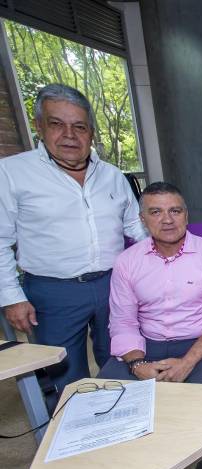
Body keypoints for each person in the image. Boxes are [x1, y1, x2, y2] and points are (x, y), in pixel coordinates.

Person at [98, 182, 202, 469]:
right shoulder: (128, 262)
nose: (168, 219)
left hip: (201, 344)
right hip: (146, 344)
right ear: (143, 219)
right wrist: (136, 363)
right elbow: (123, 321)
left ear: (186, 215)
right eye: (156, 212)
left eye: (175, 210)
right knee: (99, 402)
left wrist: (189, 361)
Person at [0, 83, 147, 404]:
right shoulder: (12, 173)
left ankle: (121, 425)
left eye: (79, 126)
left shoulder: (112, 176)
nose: (69, 135)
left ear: (91, 133)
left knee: (123, 359)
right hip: (53, 291)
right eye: (57, 124)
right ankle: (69, 442)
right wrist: (11, 297)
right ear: (40, 126)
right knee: (62, 373)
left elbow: (137, 229)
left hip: (114, 283)